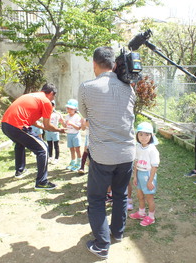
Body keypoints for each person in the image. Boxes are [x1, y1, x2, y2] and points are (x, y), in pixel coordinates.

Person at [78, 46, 136, 259]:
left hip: (102, 155)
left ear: (94, 64)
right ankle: (117, 233)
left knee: (96, 198)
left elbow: (85, 114)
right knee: (120, 194)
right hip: (127, 153)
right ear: (114, 64)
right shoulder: (129, 88)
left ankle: (102, 245)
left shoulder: (87, 87)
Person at [1, 83, 65, 190]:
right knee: (43, 149)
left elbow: (34, 121)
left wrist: (44, 128)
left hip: (5, 124)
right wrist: (59, 130)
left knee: (20, 143)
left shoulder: (31, 96)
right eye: (54, 96)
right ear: (51, 93)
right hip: (17, 125)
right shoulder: (46, 102)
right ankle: (41, 182)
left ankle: (20, 170)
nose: (53, 98)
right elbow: (48, 125)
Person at [129, 122, 160, 226]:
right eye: (141, 134)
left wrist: (150, 181)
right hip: (139, 174)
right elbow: (136, 161)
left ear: (151, 136)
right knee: (140, 195)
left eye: (147, 134)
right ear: (137, 135)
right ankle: (141, 213)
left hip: (148, 175)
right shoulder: (138, 147)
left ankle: (151, 217)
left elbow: (154, 166)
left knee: (149, 198)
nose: (143, 137)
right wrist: (135, 176)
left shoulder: (152, 149)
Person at [62, 99, 82, 171]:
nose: (69, 110)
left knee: (77, 150)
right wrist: (61, 122)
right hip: (69, 135)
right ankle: (72, 162)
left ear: (75, 109)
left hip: (75, 135)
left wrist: (72, 124)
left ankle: (79, 163)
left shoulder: (77, 117)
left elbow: (78, 128)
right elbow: (65, 126)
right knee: (71, 149)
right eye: (68, 108)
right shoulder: (67, 116)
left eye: (71, 109)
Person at [45, 100, 63, 165]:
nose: (50, 106)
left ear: (54, 106)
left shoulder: (56, 114)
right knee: (49, 145)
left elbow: (61, 121)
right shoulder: (46, 113)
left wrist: (62, 120)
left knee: (56, 145)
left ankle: (56, 158)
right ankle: (50, 157)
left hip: (55, 132)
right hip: (48, 132)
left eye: (52, 105)